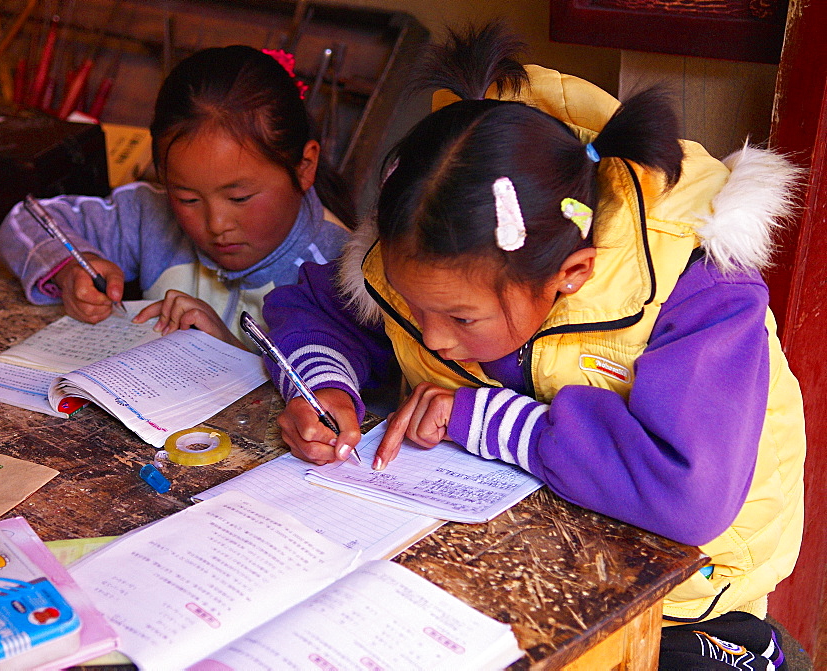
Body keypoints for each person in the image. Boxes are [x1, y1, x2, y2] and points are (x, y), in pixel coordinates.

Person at [262, 24, 804, 669]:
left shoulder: (696, 286)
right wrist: (322, 384)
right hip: (508, 559)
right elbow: (307, 309)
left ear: (569, 275)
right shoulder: (418, 260)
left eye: (461, 318)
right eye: (414, 307)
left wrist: (487, 419)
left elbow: (687, 494)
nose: (433, 336)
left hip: (688, 599)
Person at [0, 45, 354, 348]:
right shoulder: (148, 216)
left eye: (240, 198)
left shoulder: (341, 273)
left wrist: (225, 350)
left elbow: (348, 405)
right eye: (187, 199)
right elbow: (25, 220)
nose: (216, 225)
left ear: (305, 166)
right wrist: (70, 267)